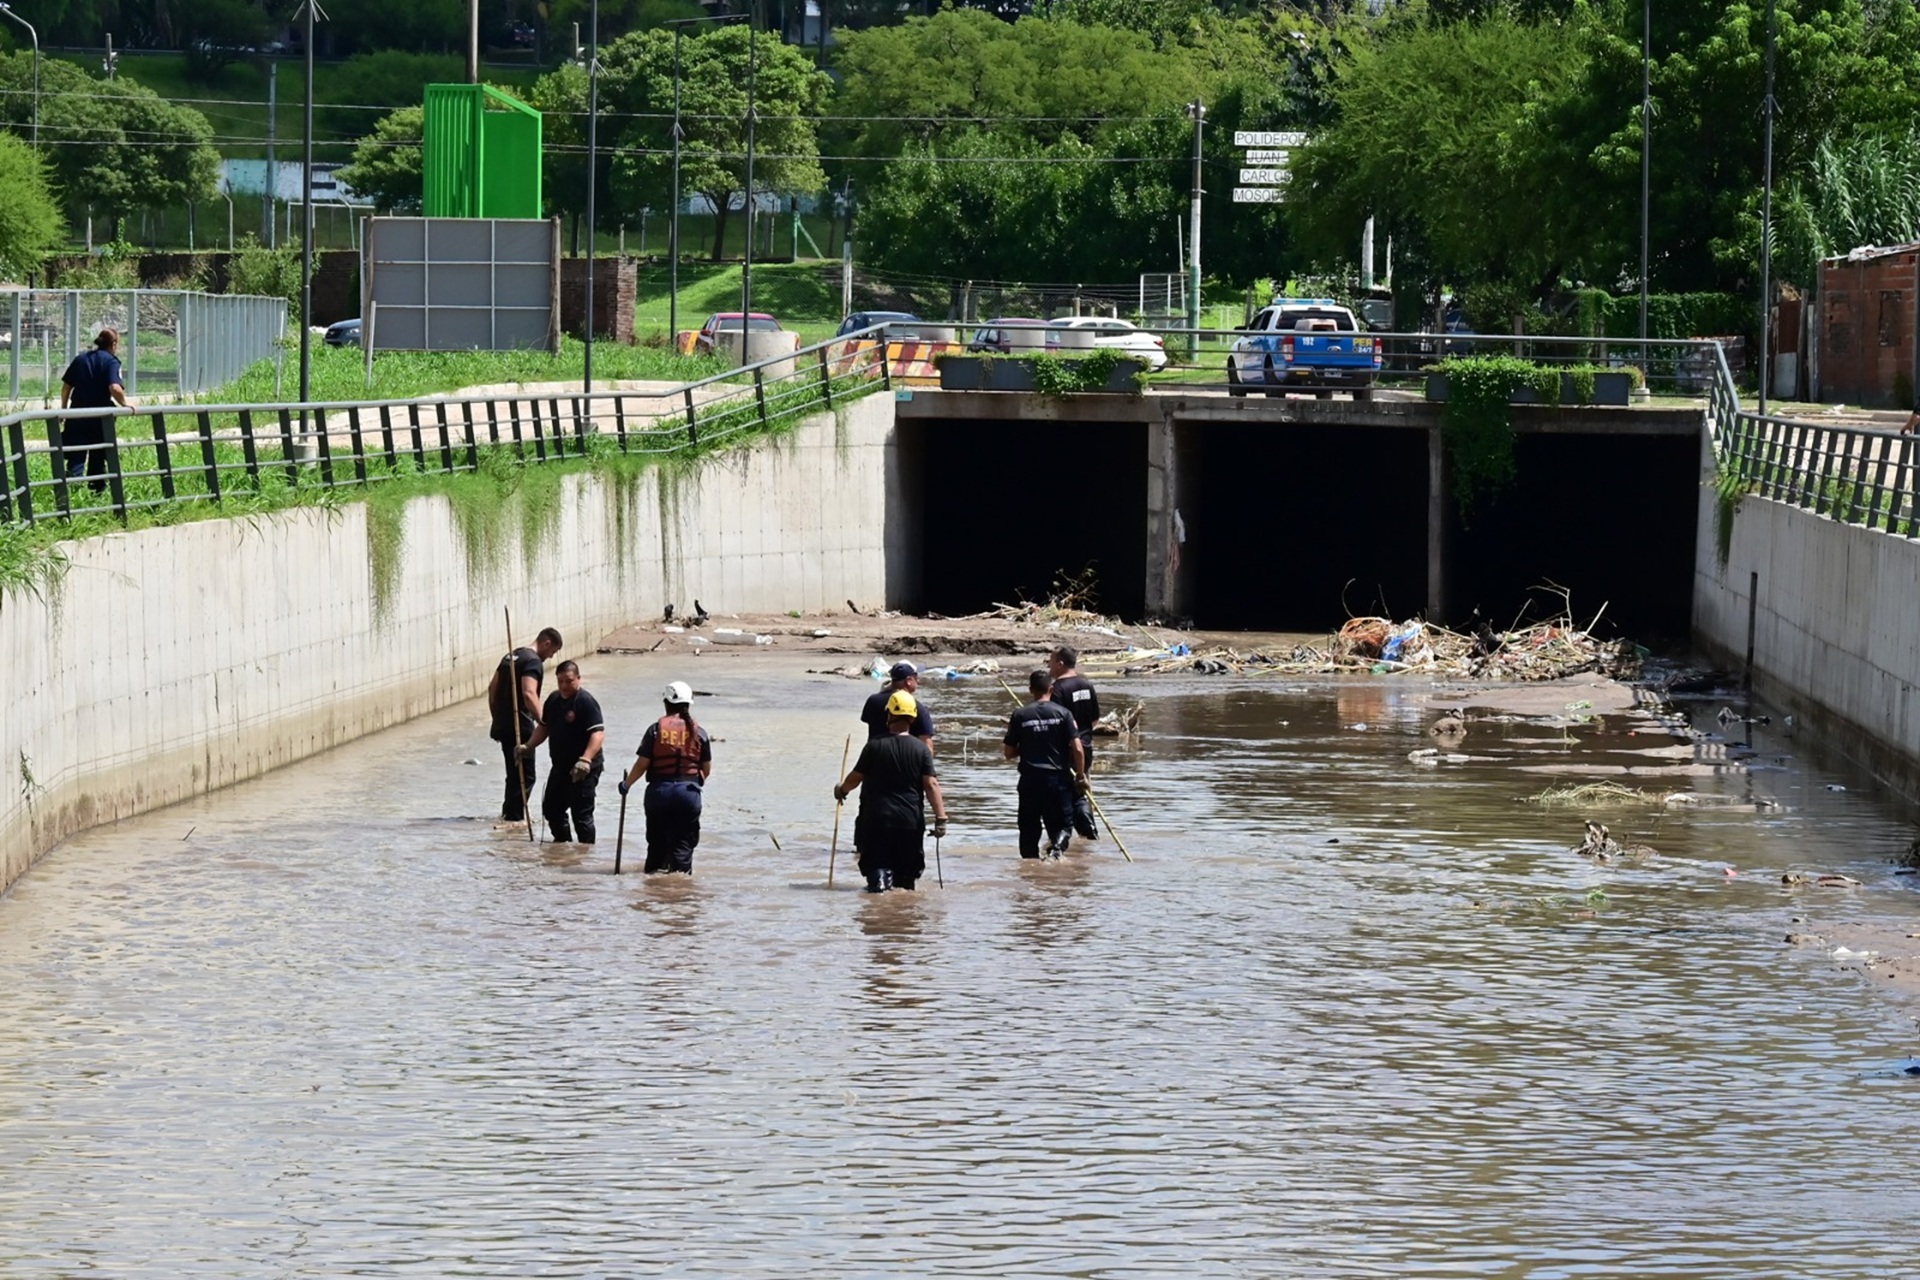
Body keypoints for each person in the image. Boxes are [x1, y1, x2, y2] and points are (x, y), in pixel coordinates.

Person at [836, 690, 948, 892]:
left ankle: (878, 900)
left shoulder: (874, 746)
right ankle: (900, 910)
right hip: (910, 821)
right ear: (912, 718)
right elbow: (931, 785)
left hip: (877, 820)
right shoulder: (921, 750)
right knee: (906, 879)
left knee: (877, 869)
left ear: (889, 715)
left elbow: (856, 778)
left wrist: (842, 789)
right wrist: (941, 819)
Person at [618, 680, 713, 874]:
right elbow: (706, 769)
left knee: (656, 848)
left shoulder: (655, 730)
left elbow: (642, 764)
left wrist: (626, 784)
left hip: (659, 794)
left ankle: (653, 888)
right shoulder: (699, 733)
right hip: (688, 795)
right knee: (683, 849)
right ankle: (680, 888)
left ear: (666, 703)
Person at [1004, 668, 1086, 859]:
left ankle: (1029, 867)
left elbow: (1008, 753)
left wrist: (1028, 747)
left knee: (1028, 830)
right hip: (1057, 781)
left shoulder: (1020, 715)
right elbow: (1078, 748)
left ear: (1030, 690)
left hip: (1029, 781)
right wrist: (1081, 775)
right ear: (1051, 689)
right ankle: (1056, 851)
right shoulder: (1063, 714)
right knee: (1062, 827)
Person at [522, 660, 605, 843]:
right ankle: (563, 845)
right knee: (552, 808)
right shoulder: (553, 700)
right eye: (560, 682)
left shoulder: (585, 702)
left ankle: (586, 853)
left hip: (583, 768)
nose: (564, 686)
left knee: (581, 815)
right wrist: (528, 746)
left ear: (578, 679)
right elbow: (544, 727)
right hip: (560, 766)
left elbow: (598, 734)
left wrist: (585, 759)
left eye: (569, 681)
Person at [486, 626, 563, 824]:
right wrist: (544, 722)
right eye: (552, 652)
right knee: (525, 777)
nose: (550, 657)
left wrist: (497, 719)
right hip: (521, 726)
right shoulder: (533, 661)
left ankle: (507, 818)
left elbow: (492, 689)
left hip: (503, 725)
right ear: (546, 643)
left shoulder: (511, 656)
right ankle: (515, 819)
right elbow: (529, 693)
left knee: (513, 774)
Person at [58, 328, 133, 491]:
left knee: (75, 457)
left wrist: (63, 410)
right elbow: (115, 387)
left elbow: (66, 388)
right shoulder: (112, 362)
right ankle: (96, 492)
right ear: (114, 344)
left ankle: (71, 494)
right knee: (98, 457)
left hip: (76, 415)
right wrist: (125, 404)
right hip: (100, 419)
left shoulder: (81, 359)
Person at [1046, 645, 1101, 840]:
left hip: (1066, 751)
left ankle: (1065, 839)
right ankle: (1088, 837)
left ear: (1060, 664)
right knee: (1081, 792)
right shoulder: (1087, 684)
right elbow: (1094, 719)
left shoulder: (1057, 689)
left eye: (1051, 662)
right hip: (1086, 748)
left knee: (1064, 798)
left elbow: (1055, 724)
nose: (1049, 666)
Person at [862, 661, 935, 748]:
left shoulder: (872, 701)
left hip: (875, 753)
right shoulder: (917, 707)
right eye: (915, 678)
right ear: (908, 681)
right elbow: (927, 744)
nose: (918, 681)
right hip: (906, 754)